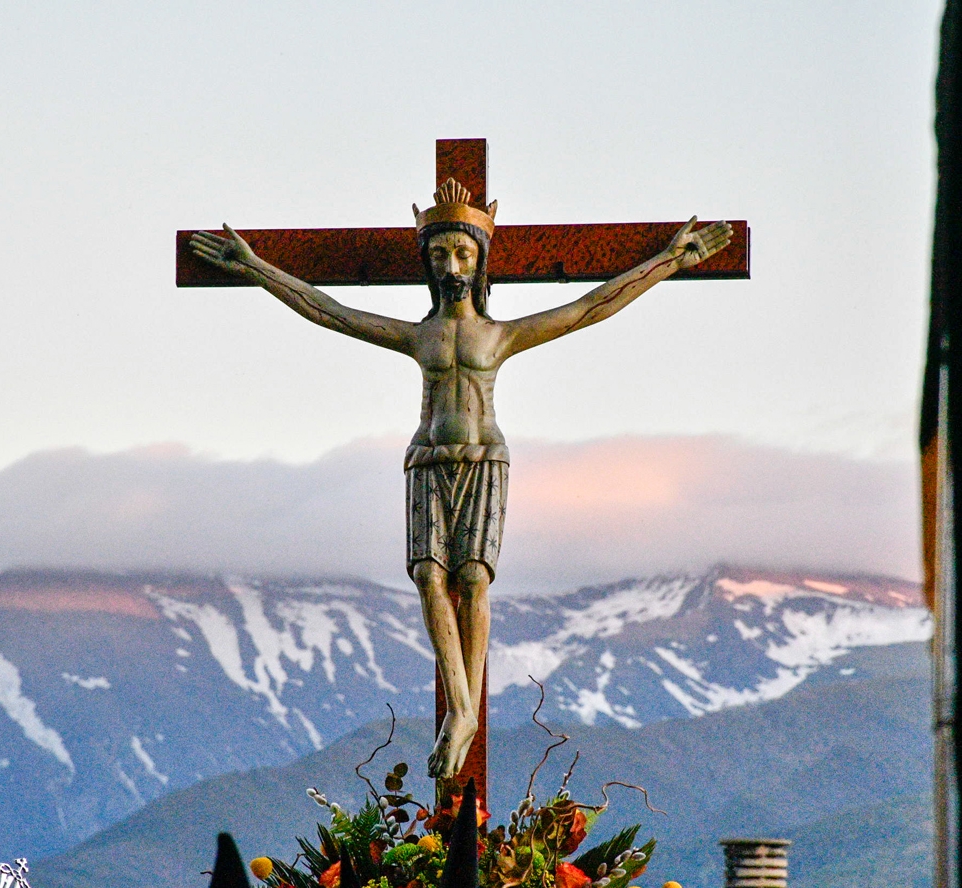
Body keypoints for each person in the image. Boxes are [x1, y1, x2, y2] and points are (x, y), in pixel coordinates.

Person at [189, 179, 731, 777]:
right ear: (428, 261)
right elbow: (332, 312)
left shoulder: (499, 336)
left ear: (481, 261)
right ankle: (463, 707)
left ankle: (468, 713)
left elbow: (589, 307)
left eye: (465, 253)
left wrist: (670, 260)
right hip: (427, 458)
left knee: (473, 579)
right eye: (441, 253)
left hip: (484, 458)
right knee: (428, 576)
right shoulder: (418, 335)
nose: (453, 265)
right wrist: (257, 267)